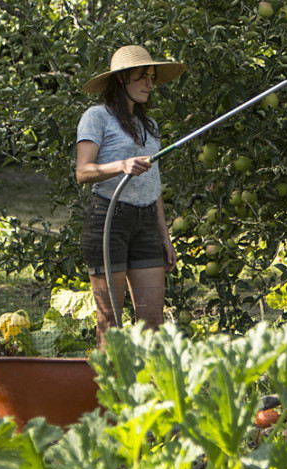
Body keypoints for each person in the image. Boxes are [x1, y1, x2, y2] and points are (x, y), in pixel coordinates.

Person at [76, 45, 185, 346]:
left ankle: (148, 392)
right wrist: (121, 166)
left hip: (147, 221)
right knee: (110, 321)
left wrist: (164, 234)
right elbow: (83, 172)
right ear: (121, 79)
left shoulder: (149, 126)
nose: (150, 84)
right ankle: (105, 391)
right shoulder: (97, 117)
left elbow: (154, 183)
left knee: (152, 323)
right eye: (142, 77)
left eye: (152, 77)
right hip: (110, 220)